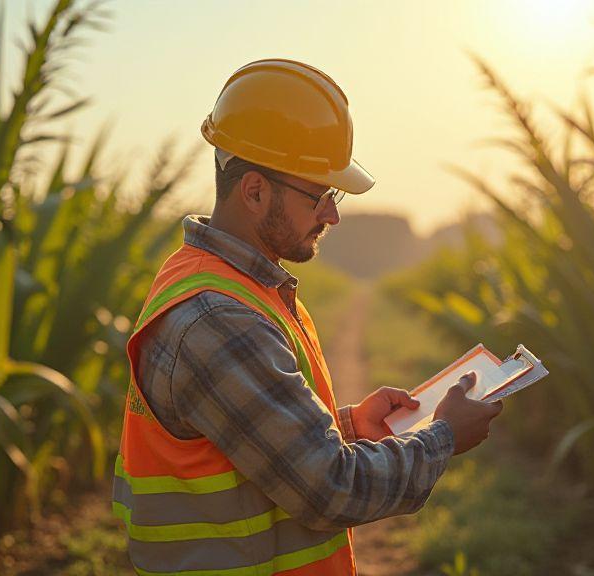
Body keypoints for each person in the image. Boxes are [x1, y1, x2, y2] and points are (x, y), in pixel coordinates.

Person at [112, 58, 503, 576]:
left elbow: (238, 442)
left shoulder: (221, 284)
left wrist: (345, 426)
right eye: (320, 195)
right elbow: (329, 488)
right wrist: (443, 436)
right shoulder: (221, 317)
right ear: (254, 191)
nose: (333, 215)